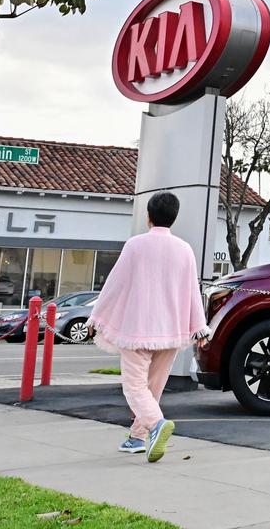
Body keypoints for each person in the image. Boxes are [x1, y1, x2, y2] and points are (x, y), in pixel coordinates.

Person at [86, 191, 209, 462]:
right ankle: (137, 438)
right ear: (173, 218)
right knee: (153, 388)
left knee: (134, 387)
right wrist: (199, 328)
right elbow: (192, 290)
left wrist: (96, 318)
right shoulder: (184, 249)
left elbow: (114, 284)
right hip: (172, 330)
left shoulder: (136, 245)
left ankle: (156, 424)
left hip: (138, 329)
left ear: (149, 216)